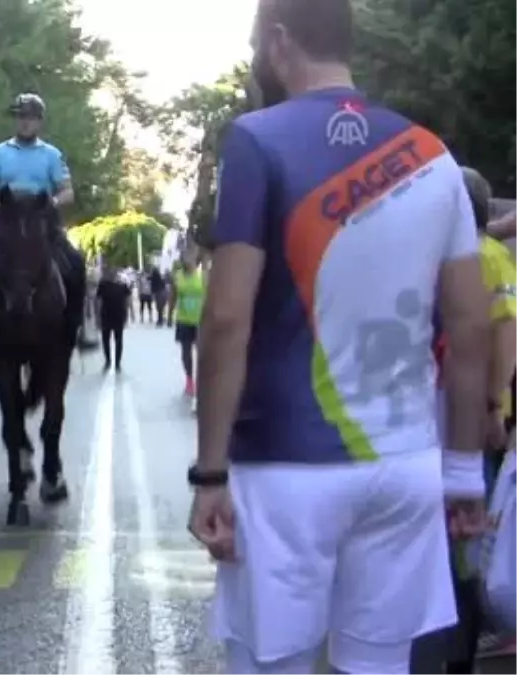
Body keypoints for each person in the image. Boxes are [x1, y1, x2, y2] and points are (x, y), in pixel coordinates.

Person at [189, 1, 491, 673]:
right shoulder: (431, 154)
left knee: (274, 663)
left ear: (279, 41)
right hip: (405, 465)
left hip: (285, 467)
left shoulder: (256, 140)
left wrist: (210, 472)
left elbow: (227, 316)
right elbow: (471, 326)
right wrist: (465, 473)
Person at [438, 168, 517, 672]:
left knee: (471, 537)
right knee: (462, 534)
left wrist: (493, 404)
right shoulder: (475, 254)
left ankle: (462, 648)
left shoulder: (484, 257)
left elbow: (506, 335)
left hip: (475, 418)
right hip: (455, 413)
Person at [0, 92, 88, 351]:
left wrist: (49, 205)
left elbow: (68, 191)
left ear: (39, 121)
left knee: (75, 264)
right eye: (20, 117)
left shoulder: (52, 154)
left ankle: (74, 328)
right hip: (6, 222)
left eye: (30, 118)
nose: (24, 122)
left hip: (41, 222)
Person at [169, 252, 205, 397]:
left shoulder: (202, 275)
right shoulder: (177, 277)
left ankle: (203, 380)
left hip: (200, 320)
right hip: (183, 320)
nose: (187, 261)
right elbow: (173, 296)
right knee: (186, 352)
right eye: (184, 258)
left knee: (202, 352)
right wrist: (169, 314)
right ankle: (189, 380)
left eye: (189, 258)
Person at [95, 265, 131, 372]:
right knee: (106, 340)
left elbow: (127, 301)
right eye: (110, 272)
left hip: (118, 316)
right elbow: (98, 301)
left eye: (113, 272)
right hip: (106, 315)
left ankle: (117, 363)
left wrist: (128, 314)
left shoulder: (123, 286)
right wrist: (97, 316)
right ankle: (108, 361)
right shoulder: (103, 285)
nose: (111, 274)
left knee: (118, 340)